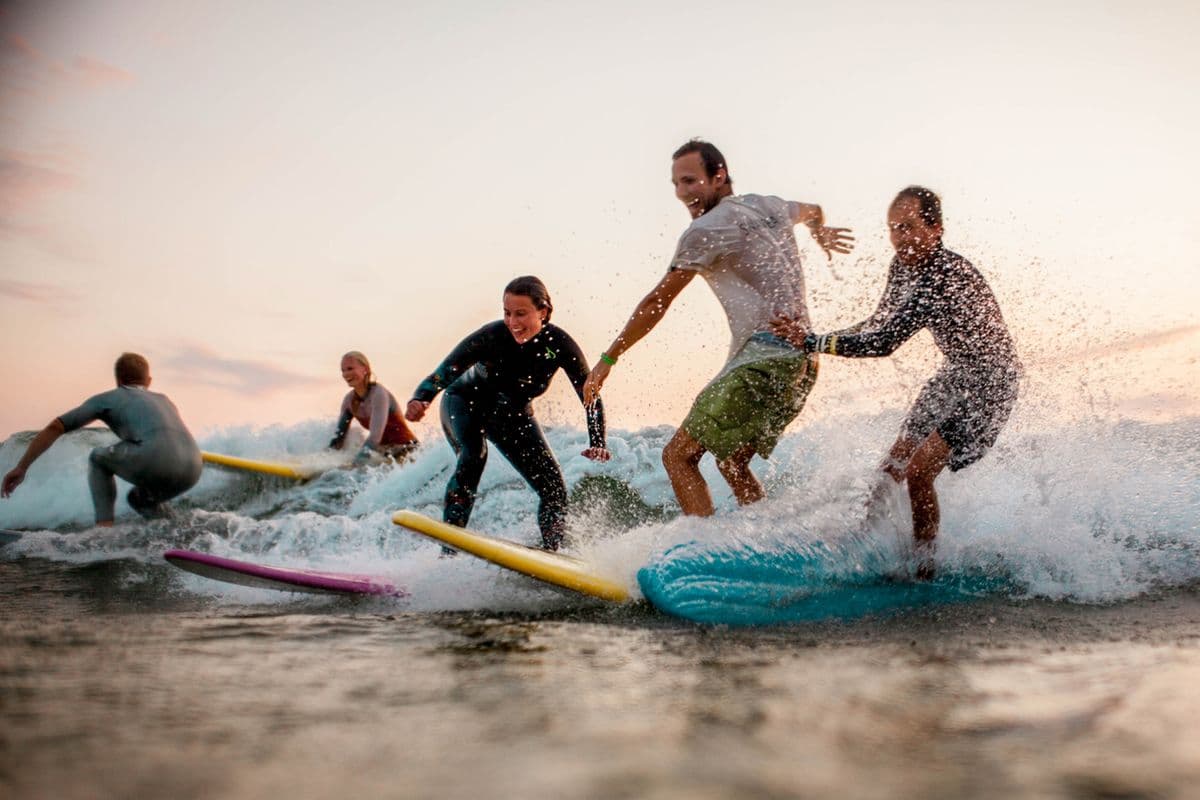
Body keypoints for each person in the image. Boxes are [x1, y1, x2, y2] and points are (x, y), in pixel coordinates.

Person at [582, 139, 854, 516]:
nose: (682, 193)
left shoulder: (706, 229)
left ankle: (704, 555)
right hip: (802, 364)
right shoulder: (770, 205)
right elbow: (814, 210)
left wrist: (608, 358)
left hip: (763, 360)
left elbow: (657, 302)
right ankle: (762, 543)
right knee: (732, 462)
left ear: (719, 176)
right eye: (676, 184)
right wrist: (818, 231)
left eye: (691, 181)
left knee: (678, 456)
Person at [771, 186, 1021, 577]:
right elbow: (875, 324)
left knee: (920, 471)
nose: (899, 238)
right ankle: (859, 545)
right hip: (956, 373)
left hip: (991, 382)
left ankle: (924, 572)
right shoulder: (902, 267)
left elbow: (884, 342)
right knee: (892, 464)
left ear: (935, 228)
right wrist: (815, 337)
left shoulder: (943, 275)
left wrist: (812, 341)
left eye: (908, 227)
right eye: (892, 229)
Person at [405, 276, 611, 551]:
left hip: (513, 416)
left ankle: (551, 554)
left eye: (521, 313)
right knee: (473, 455)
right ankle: (449, 549)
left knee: (554, 490)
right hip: (465, 403)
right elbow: (446, 371)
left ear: (544, 312)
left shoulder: (559, 344)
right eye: (507, 313)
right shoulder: (491, 337)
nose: (513, 322)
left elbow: (589, 395)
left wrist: (597, 441)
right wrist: (421, 398)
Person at [1, 352, 202, 526]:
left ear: (119, 380)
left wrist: (21, 467)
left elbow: (56, 426)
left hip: (153, 458)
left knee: (98, 458)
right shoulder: (165, 400)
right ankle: (176, 531)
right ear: (148, 381)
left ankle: (103, 530)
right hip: (193, 466)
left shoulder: (108, 398)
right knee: (139, 499)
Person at [329, 351, 419, 464]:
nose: (346, 374)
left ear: (365, 369)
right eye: (343, 370)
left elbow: (375, 437)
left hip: (409, 452)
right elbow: (338, 440)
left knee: (356, 469)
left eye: (350, 368)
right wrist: (323, 460)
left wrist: (356, 463)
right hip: (385, 455)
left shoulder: (378, 394)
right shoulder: (349, 401)